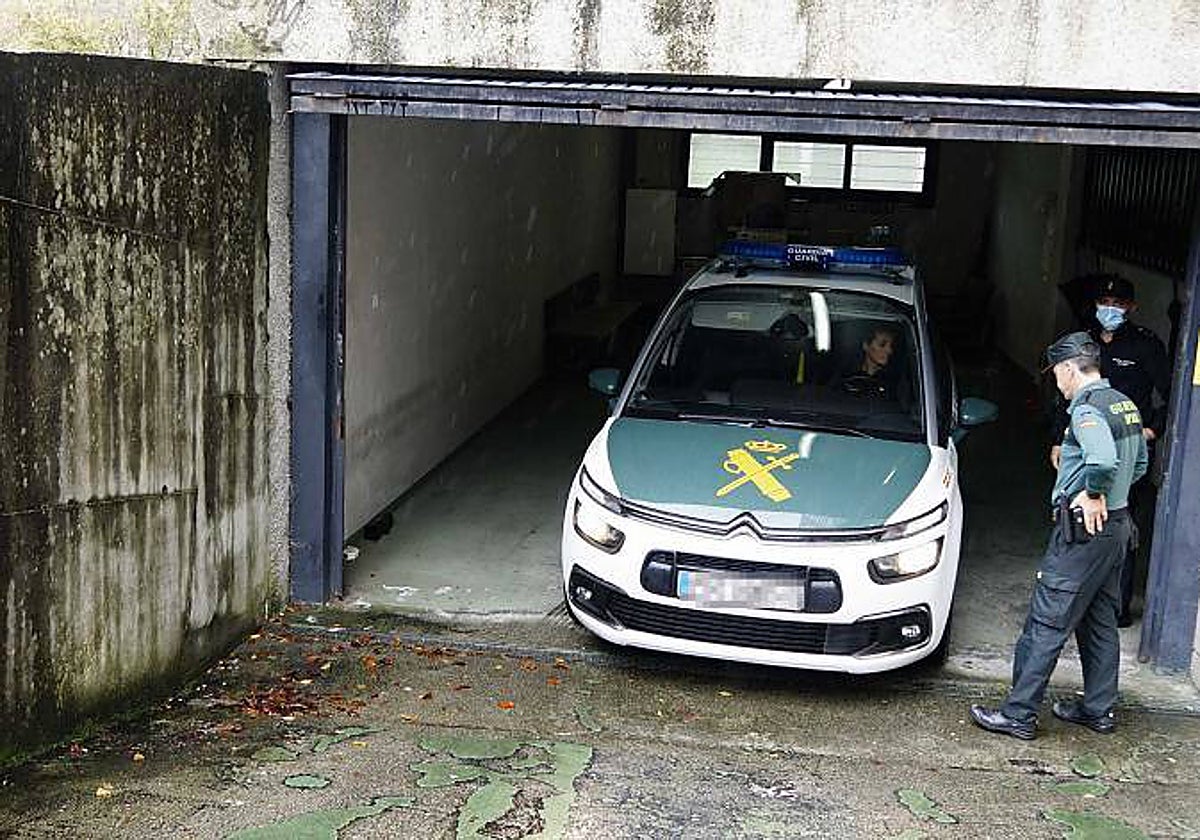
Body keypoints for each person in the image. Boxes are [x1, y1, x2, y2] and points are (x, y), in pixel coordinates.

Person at [971, 332, 1147, 740]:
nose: (1057, 383)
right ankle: (1098, 709)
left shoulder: (1087, 410)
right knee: (1099, 621)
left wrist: (1093, 491)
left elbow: (1102, 458)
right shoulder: (1124, 403)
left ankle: (1018, 714)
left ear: (1069, 369)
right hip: (1117, 529)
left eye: (1057, 375)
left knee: (1046, 622)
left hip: (1083, 534)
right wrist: (1111, 494)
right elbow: (1138, 465)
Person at [1049, 275, 1169, 626]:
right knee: (1075, 520)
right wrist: (1059, 438)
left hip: (1125, 447)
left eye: (1118, 305)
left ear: (1131, 308)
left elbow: (1169, 393)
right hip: (1084, 445)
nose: (1110, 310)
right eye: (1105, 302)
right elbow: (1065, 398)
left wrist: (1152, 430)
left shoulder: (1146, 346)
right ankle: (1074, 606)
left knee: (1120, 525)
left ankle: (1115, 608)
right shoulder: (1084, 343)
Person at [834, 324, 899, 398]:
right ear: (866, 346)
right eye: (882, 345)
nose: (889, 351)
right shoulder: (846, 375)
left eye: (891, 346)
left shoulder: (893, 381)